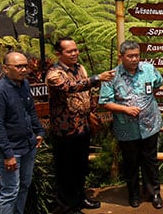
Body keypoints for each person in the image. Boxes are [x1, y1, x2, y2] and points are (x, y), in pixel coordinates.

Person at [45, 37, 116, 214]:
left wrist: (92, 111)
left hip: (82, 127)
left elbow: (87, 94)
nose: (75, 53)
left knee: (81, 166)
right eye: (70, 51)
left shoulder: (79, 68)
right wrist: (97, 78)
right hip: (65, 130)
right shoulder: (54, 74)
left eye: (76, 50)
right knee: (66, 169)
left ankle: (81, 198)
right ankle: (68, 206)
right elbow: (70, 87)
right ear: (58, 54)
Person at [99, 40, 163, 209]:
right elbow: (105, 102)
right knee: (131, 162)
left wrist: (146, 103)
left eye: (137, 55)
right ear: (121, 57)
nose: (135, 59)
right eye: (130, 56)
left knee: (150, 161)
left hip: (150, 125)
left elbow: (157, 83)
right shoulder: (111, 76)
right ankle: (134, 194)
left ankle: (154, 193)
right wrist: (124, 109)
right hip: (126, 128)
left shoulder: (149, 70)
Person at [0, 51, 45, 214]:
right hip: (11, 151)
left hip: (28, 146)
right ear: (6, 69)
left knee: (24, 186)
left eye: (25, 66)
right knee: (10, 192)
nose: (24, 70)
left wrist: (39, 131)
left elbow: (30, 111)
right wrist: (8, 154)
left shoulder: (24, 85)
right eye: (18, 66)